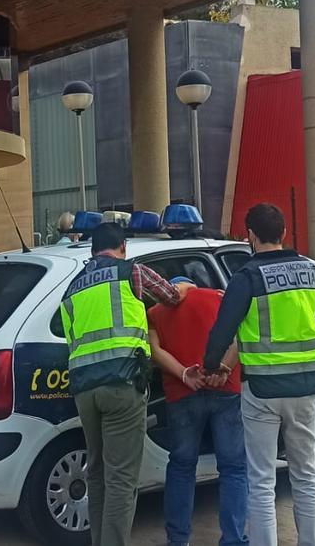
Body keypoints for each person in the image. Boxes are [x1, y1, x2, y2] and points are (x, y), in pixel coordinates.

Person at [56, 222, 191, 546]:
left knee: (98, 473)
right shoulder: (133, 272)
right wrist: (187, 287)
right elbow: (171, 297)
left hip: (85, 391)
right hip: (122, 384)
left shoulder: (71, 288)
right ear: (123, 247)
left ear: (91, 251)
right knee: (121, 480)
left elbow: (66, 332)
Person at [202, 203, 315, 546]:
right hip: (305, 386)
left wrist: (211, 366)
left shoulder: (247, 278)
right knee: (306, 476)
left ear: (250, 237)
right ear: (284, 233)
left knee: (261, 481)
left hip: (263, 389)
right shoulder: (312, 272)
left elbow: (223, 330)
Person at [146, 276, 247, 546]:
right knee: (233, 468)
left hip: (183, 394)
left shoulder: (155, 312)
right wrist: (221, 369)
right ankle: (234, 540)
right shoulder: (219, 298)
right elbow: (242, 334)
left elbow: (153, 351)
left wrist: (184, 374)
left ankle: (178, 540)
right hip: (225, 390)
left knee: (181, 466)